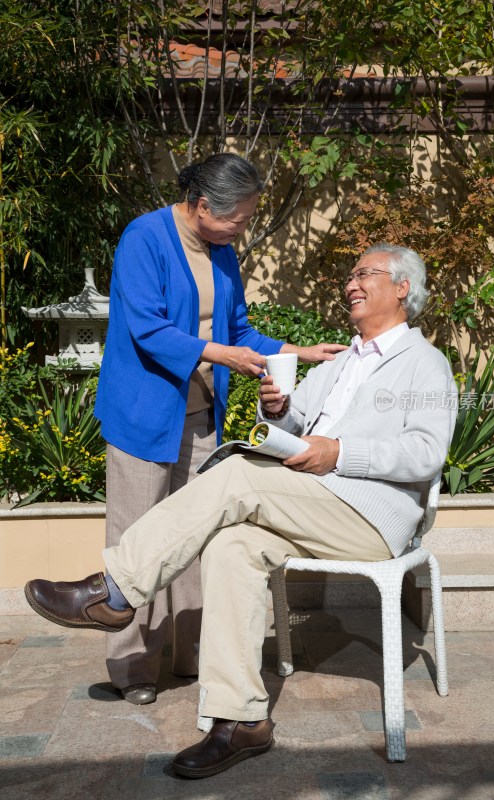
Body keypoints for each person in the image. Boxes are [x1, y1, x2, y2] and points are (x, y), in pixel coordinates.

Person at [26, 243, 457, 779]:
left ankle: (113, 590)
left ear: (401, 288)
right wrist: (278, 409)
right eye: (350, 274)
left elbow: (426, 453)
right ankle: (239, 721)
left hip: (370, 517)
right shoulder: (341, 361)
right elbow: (296, 425)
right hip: (312, 507)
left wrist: (341, 451)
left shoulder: (425, 363)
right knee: (231, 547)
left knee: (234, 474)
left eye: (364, 274)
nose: (351, 282)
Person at [93, 152, 346, 705]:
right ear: (203, 204)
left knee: (193, 537)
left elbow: (239, 329)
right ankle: (134, 667)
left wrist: (297, 351)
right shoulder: (145, 238)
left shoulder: (222, 251)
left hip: (200, 414)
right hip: (142, 413)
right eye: (239, 218)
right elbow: (146, 328)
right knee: (136, 537)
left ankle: (189, 657)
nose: (244, 228)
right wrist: (219, 353)